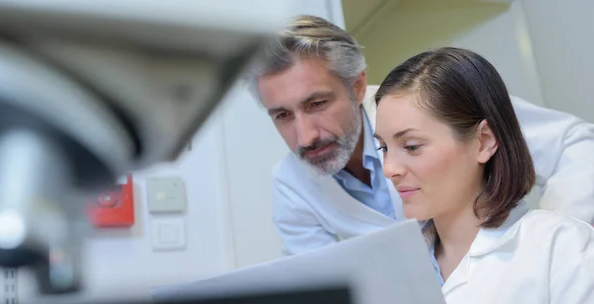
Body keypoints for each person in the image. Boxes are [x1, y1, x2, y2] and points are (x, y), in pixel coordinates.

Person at [248, 15, 594, 256]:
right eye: (282, 115)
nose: (305, 136)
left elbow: (575, 146)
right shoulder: (290, 182)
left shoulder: (427, 101)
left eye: (317, 103)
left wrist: (552, 242)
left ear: (356, 86)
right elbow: (319, 287)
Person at [372, 46, 594, 304]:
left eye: (411, 146)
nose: (389, 169)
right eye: (383, 148)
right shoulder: (388, 275)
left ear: (484, 141)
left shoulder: (563, 251)